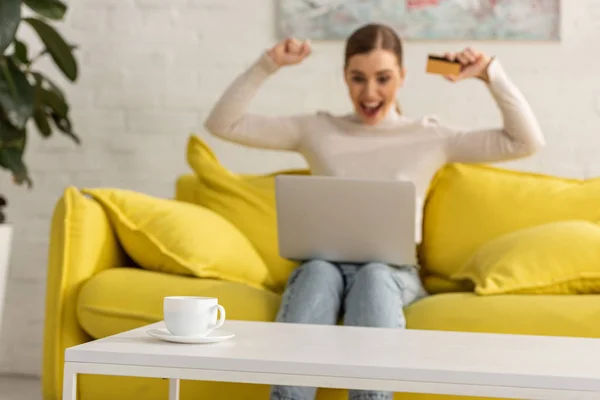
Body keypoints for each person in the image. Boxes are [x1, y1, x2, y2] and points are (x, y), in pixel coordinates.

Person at [204, 23, 545, 400]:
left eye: (383, 78)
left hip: (393, 277)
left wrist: (489, 74)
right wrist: (268, 65)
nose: (369, 93)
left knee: (374, 274)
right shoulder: (317, 130)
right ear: (345, 79)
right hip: (323, 268)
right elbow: (223, 123)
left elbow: (525, 141)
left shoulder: (430, 136)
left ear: (402, 76)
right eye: (358, 79)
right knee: (317, 271)